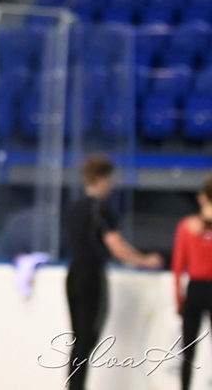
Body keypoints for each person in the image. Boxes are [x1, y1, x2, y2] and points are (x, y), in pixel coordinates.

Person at [64, 155, 162, 390]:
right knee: (87, 337)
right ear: (101, 179)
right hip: (91, 275)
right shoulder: (101, 209)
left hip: (73, 273)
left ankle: (74, 386)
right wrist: (144, 260)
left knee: (79, 338)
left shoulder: (74, 207)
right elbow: (117, 247)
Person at [172, 175, 212, 390]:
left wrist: (178, 296)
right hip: (202, 287)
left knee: (188, 347)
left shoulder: (187, 227)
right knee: (189, 346)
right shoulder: (189, 226)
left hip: (196, 289)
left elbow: (178, 266)